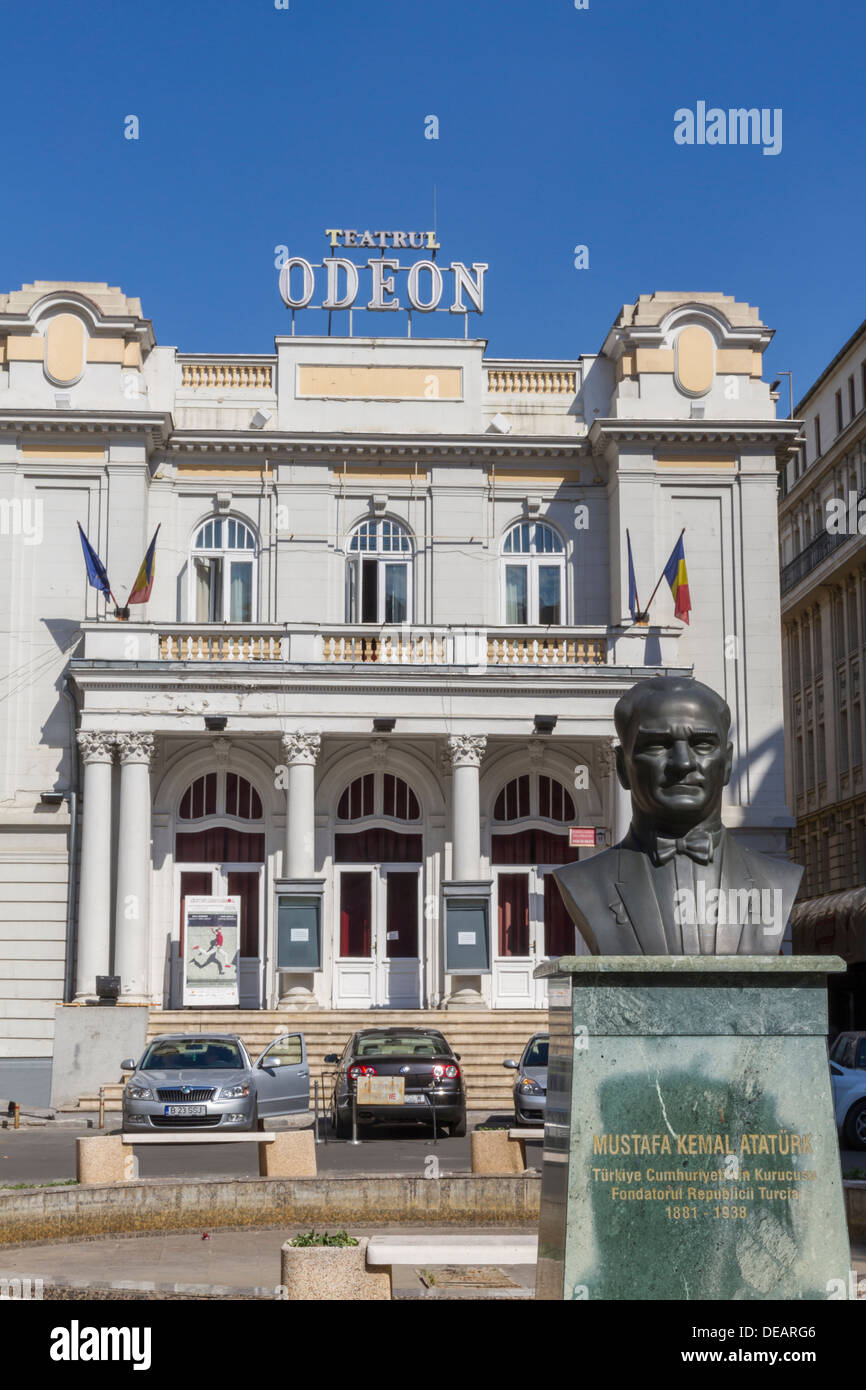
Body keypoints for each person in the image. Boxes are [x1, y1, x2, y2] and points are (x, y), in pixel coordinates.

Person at [554, 676, 803, 955]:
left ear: (727, 764)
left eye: (702, 744)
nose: (683, 762)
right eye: (657, 744)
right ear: (622, 768)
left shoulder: (777, 880)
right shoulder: (585, 882)